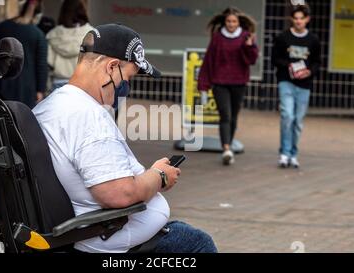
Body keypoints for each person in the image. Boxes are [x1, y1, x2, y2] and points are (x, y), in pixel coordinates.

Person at [33, 24, 217, 253]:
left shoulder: (50, 105)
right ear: (111, 67)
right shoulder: (87, 116)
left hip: (87, 231)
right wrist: (159, 176)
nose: (125, 87)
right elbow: (120, 194)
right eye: (128, 77)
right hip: (107, 239)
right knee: (197, 244)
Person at [197, 7, 259, 165]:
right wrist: (203, 86)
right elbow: (208, 61)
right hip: (220, 83)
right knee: (225, 115)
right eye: (229, 21)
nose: (231, 24)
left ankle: (228, 146)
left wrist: (250, 45)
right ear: (224, 22)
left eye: (234, 21)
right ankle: (226, 149)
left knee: (233, 116)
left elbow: (251, 60)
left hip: (239, 83)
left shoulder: (246, 36)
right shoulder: (218, 37)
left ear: (239, 23)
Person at [272, 5, 320, 168]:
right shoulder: (283, 37)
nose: (299, 21)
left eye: (302, 18)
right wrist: (289, 65)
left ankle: (293, 153)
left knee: (298, 121)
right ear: (292, 19)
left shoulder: (313, 40)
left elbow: (317, 62)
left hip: (304, 85)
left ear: (307, 19)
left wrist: (309, 72)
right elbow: (274, 59)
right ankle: (284, 153)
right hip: (286, 81)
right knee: (287, 116)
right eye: (296, 18)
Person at [0, 0, 48, 108]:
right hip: (25, 89)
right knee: (20, 122)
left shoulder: (1, 27)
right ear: (37, 14)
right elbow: (41, 64)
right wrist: (40, 89)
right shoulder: (38, 35)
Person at [46, 0, 94, 90]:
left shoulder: (53, 34)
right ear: (83, 11)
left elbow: (49, 62)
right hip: (82, 82)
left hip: (58, 83)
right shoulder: (91, 34)